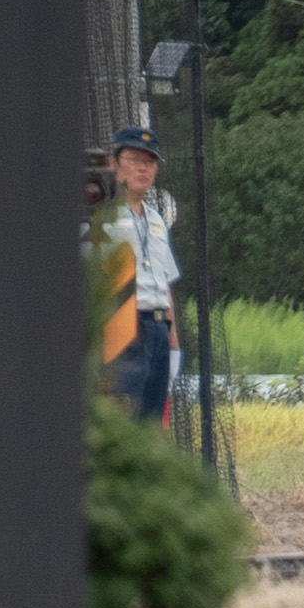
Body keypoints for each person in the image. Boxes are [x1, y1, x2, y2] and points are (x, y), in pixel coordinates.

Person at [105, 127, 179, 429]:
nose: (143, 168)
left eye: (150, 162)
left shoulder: (156, 218)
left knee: (151, 419)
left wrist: (174, 346)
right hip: (123, 324)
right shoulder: (103, 216)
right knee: (125, 414)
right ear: (114, 163)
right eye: (134, 159)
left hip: (158, 324)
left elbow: (164, 284)